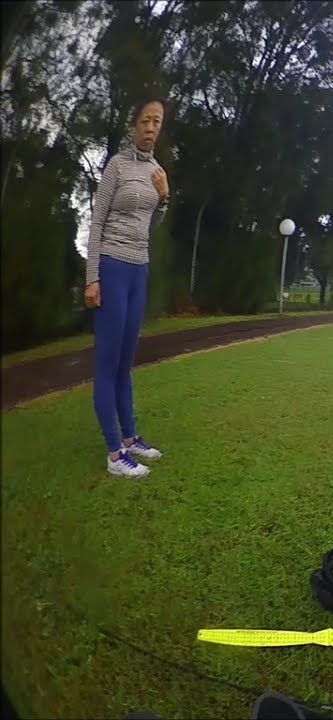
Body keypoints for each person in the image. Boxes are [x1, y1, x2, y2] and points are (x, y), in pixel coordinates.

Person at [83, 98, 170, 478]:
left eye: (157, 122)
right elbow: (96, 221)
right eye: (145, 121)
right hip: (112, 267)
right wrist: (92, 278)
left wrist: (164, 196)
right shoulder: (116, 166)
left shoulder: (157, 172)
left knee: (125, 363)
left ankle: (131, 439)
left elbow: (151, 225)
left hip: (140, 270)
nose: (151, 127)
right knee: (107, 363)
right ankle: (115, 455)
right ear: (133, 126)